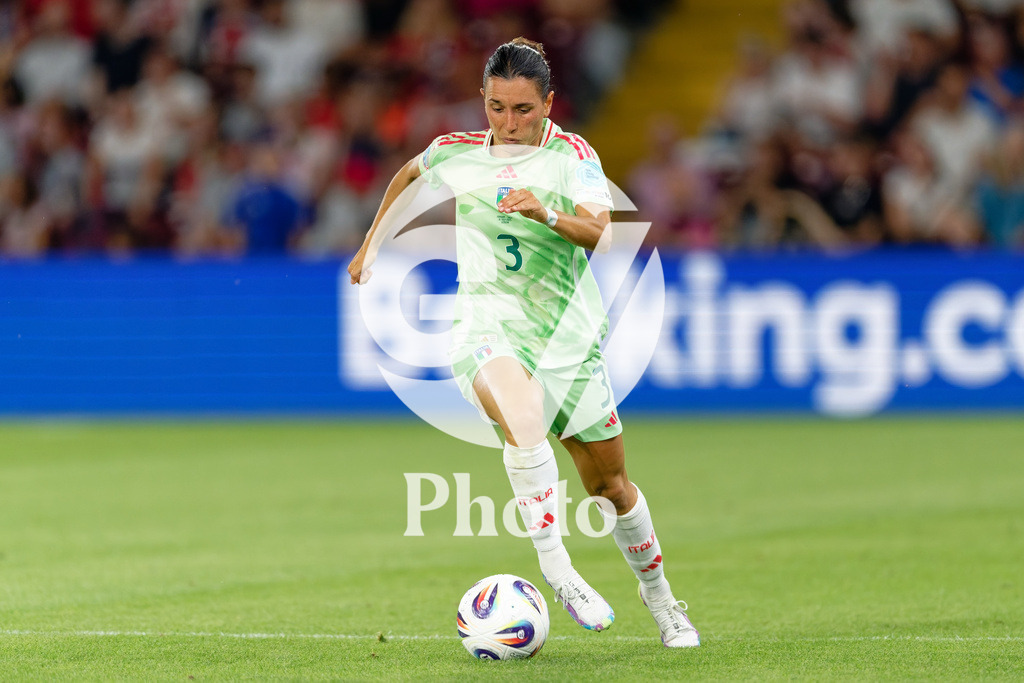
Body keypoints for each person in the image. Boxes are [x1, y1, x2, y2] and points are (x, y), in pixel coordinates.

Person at [346, 37, 700, 648]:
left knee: (610, 487)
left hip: (566, 338)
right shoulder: (459, 152)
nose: (508, 124)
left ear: (549, 104)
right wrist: (371, 244)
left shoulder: (572, 157)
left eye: (523, 110)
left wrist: (546, 214)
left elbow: (602, 235)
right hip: (487, 322)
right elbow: (408, 173)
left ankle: (662, 600)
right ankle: (557, 569)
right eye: (496, 107)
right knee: (519, 411)